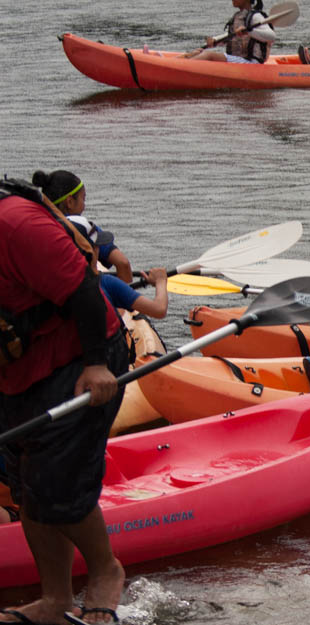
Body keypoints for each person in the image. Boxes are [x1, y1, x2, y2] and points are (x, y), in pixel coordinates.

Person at [0, 178, 128, 624]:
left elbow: (85, 292)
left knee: (55, 481)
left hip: (80, 357)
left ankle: (105, 570)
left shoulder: (15, 225)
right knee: (25, 485)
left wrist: (96, 365)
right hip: (17, 371)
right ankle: (55, 600)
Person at [32, 170, 132, 284]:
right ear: (69, 202)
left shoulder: (37, 225)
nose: (84, 205)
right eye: (83, 199)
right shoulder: (83, 227)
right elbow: (123, 263)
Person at [66, 216, 169, 320]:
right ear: (93, 250)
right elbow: (159, 310)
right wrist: (160, 281)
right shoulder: (107, 283)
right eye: (98, 245)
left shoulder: (56, 283)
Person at [184, 0, 275, 63]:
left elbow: (271, 36)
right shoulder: (238, 16)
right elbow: (230, 36)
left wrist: (249, 32)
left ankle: (183, 68)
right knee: (196, 53)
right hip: (237, 60)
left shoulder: (256, 16)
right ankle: (176, 64)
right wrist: (215, 41)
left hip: (251, 62)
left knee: (209, 55)